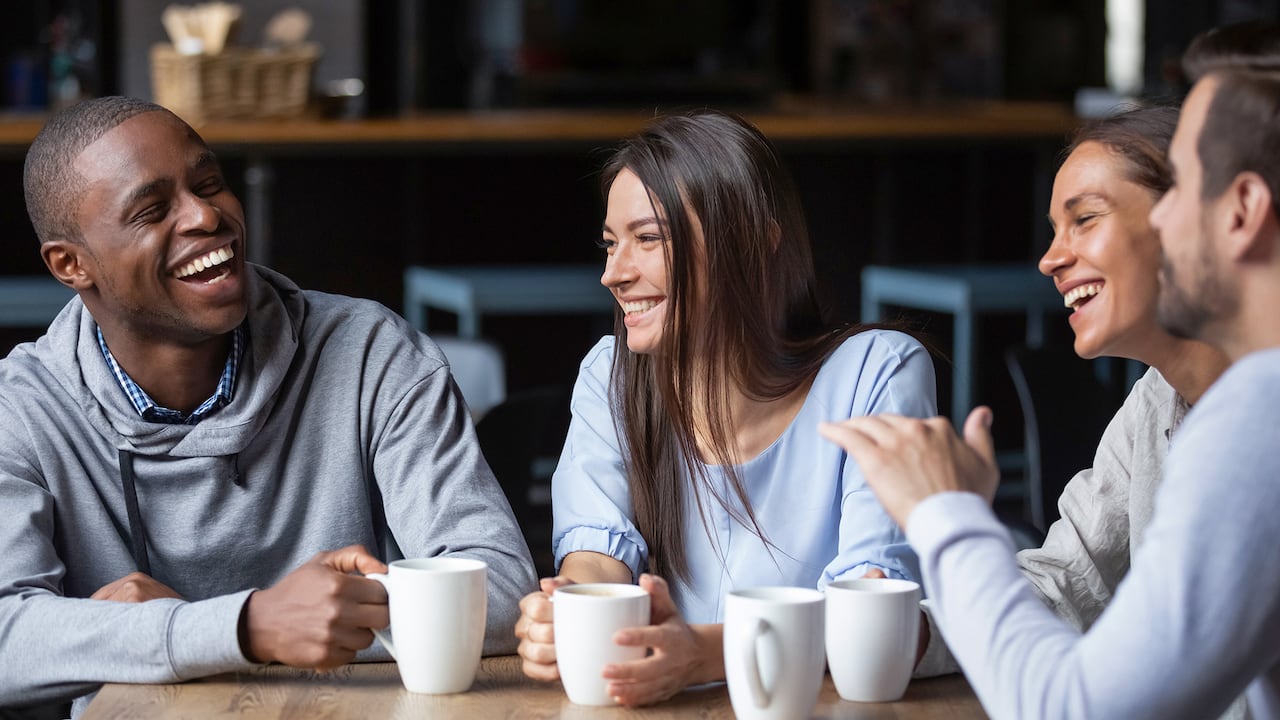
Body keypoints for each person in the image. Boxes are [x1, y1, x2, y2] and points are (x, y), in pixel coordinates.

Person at [0, 97, 537, 715]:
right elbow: (10, 638)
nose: (206, 215)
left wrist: (189, 632)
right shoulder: (22, 409)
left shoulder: (374, 355)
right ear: (71, 265)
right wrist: (250, 626)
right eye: (152, 210)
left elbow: (496, 586)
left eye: (209, 184)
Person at [820, 66, 1280, 718]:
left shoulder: (1260, 414)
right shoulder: (1166, 401)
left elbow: (1076, 705)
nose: (1048, 260)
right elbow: (1068, 581)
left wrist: (947, 514)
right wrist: (904, 631)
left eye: (1084, 220)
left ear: (1241, 211)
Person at [513, 109, 937, 705]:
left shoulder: (876, 373)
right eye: (610, 244)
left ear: (754, 241)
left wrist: (702, 653)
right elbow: (596, 561)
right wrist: (570, 614)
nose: (613, 272)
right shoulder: (612, 376)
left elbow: (870, 620)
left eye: (648, 239)